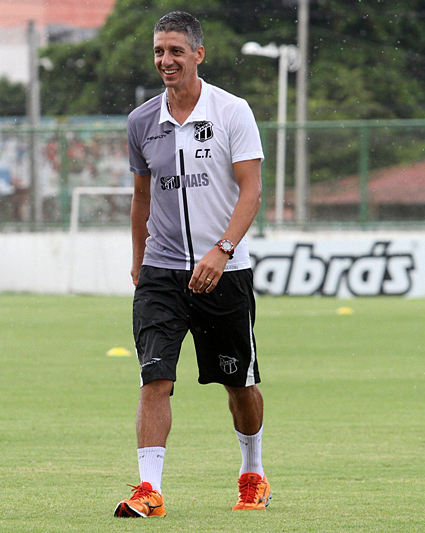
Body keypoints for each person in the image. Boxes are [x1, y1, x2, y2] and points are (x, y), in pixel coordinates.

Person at [114, 11, 269, 518]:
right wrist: (139, 262)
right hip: (162, 272)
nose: (166, 60)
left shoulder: (232, 111)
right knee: (154, 377)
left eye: (176, 51)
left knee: (238, 382)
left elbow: (252, 190)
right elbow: (141, 197)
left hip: (224, 270)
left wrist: (222, 251)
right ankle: (149, 490)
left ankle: (253, 473)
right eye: (159, 51)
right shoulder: (141, 121)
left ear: (199, 54)